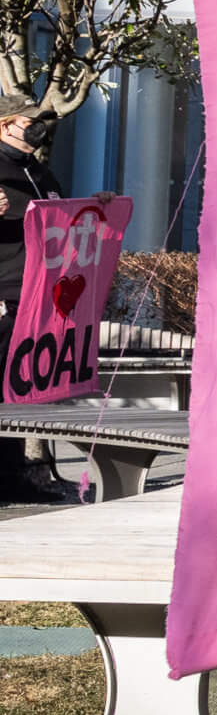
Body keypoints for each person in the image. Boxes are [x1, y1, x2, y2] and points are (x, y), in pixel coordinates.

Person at [0, 95, 76, 503]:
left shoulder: (40, 173)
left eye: (40, 121)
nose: (37, 127)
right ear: (5, 124)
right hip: (3, 296)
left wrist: (95, 208)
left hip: (36, 299)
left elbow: (59, 220)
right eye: (29, 121)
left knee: (14, 394)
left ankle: (12, 478)